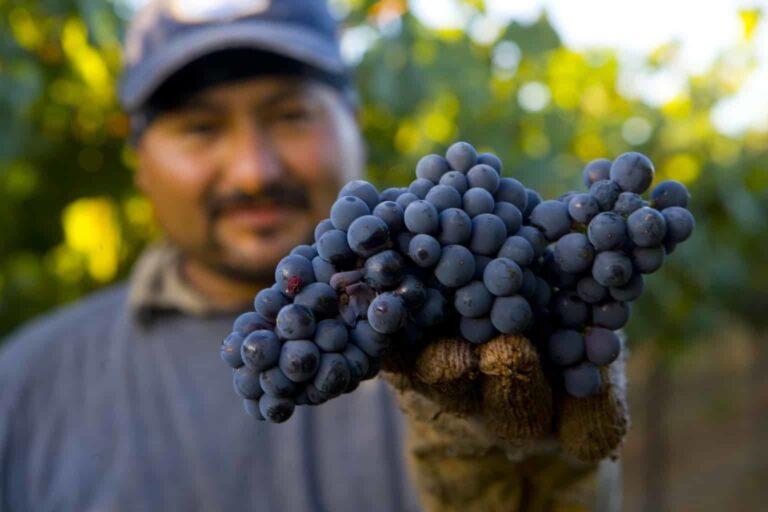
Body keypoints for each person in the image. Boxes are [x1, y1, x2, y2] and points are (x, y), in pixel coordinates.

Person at [0, 1, 626, 511]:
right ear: (138, 162)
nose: (253, 171)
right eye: (200, 128)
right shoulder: (21, 389)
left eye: (291, 114)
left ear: (354, 122)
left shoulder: (478, 346)